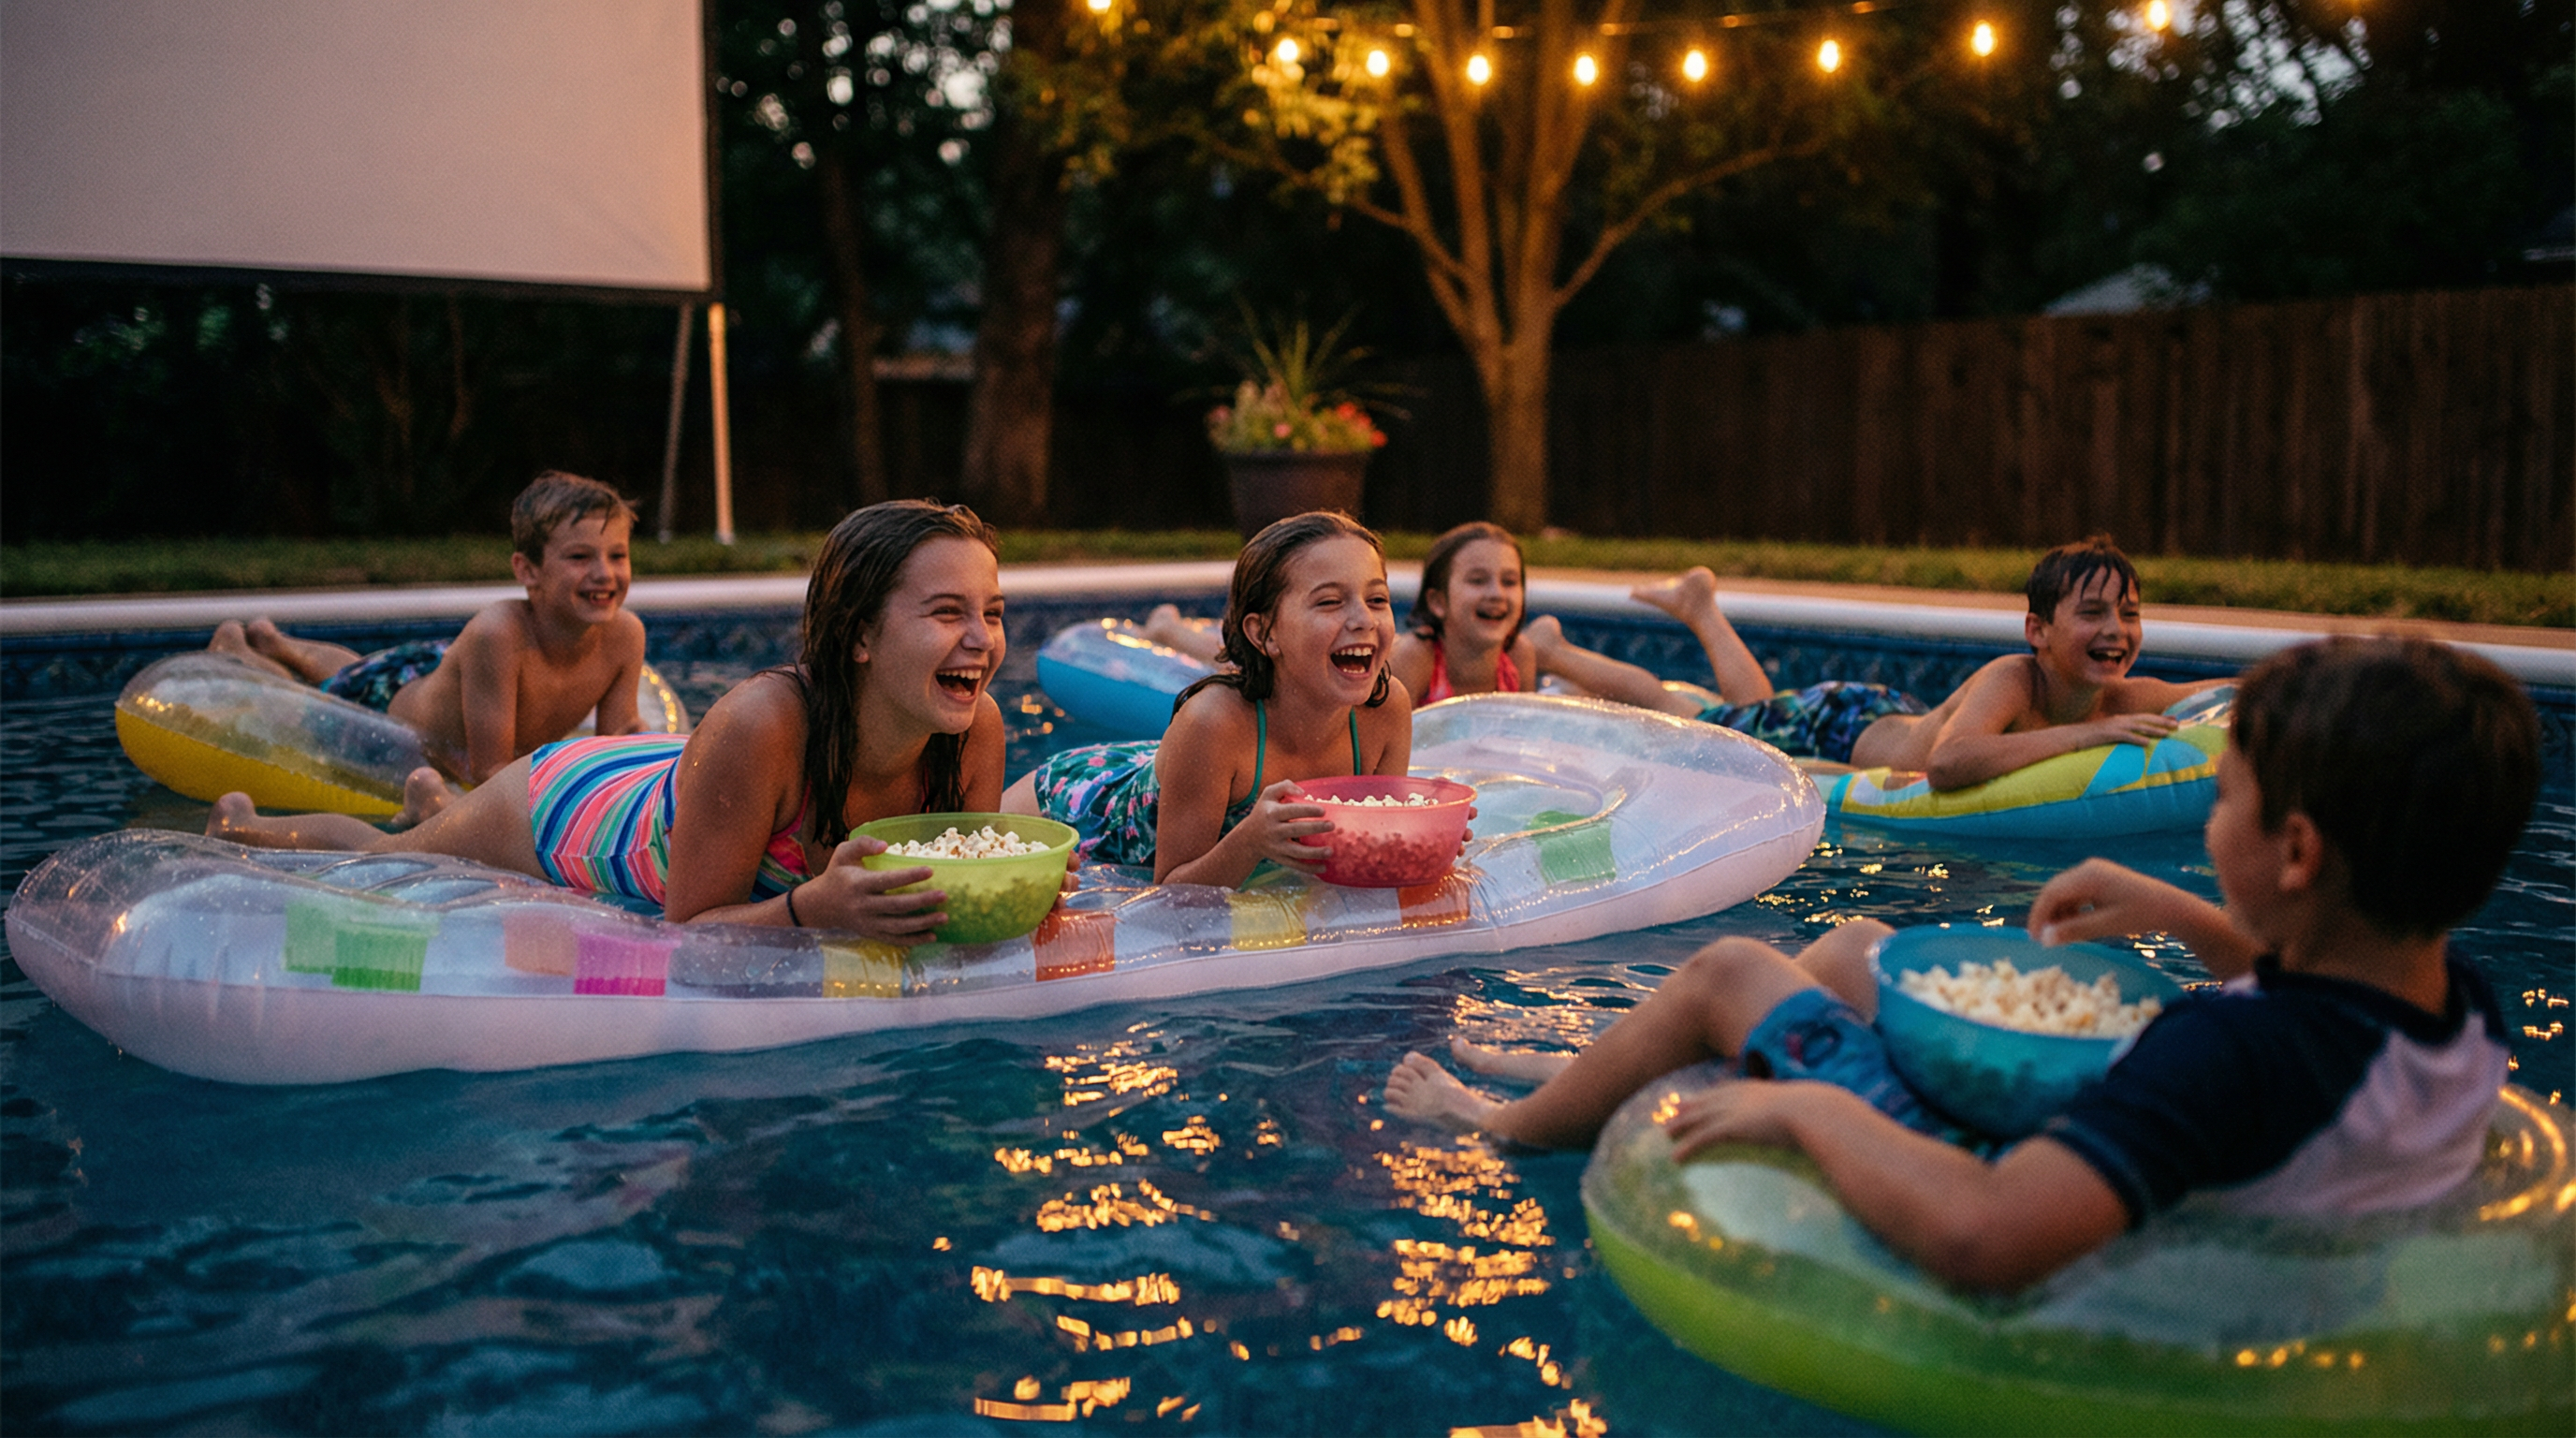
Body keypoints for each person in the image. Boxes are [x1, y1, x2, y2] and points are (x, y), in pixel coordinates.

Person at [1384, 636, 2538, 1292]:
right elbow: (2313, 996)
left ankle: (1509, 1127)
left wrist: (1806, 1123)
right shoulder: (2453, 1002)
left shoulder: (2227, 1058)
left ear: (2295, 852)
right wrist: (2174, 910)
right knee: (1858, 951)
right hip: (2251, 1147)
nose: (2210, 819)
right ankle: (1571, 1066)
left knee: (1735, 972)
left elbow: (1985, 1238)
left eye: (2225, 798)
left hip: (2009, 1179)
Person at [207, 500, 1012, 943]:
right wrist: (811, 911)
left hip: (682, 784)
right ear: (861, 634)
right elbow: (692, 930)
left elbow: (961, 889)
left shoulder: (975, 734)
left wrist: (1018, 891)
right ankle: (246, 829)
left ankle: (438, 808)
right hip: (577, 807)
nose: (981, 639)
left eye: (993, 612)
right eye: (947, 613)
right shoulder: (765, 726)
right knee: (393, 863)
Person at [1005, 511, 1419, 887]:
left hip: (1182, 776)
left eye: (1377, 599)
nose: (1363, 618)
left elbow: (1376, 841)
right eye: (1330, 602)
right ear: (1264, 634)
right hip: (1075, 805)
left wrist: (1423, 843)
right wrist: (1250, 841)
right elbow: (1171, 888)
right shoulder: (1213, 723)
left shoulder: (1385, 709)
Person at [207, 471, 650, 807]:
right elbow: (489, 769)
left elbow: (611, 745)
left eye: (617, 555)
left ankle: (278, 641)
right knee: (332, 688)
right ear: (527, 570)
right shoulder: (500, 635)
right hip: (389, 705)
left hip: (441, 670)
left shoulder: (625, 636)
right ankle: (242, 650)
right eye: (579, 557)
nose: (604, 573)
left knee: (355, 665)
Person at [1383, 521, 1923, 769]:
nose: (1497, 593)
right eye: (1477, 581)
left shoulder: (1514, 658)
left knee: (1744, 719)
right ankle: (1689, 613)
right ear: (1436, 601)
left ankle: (1690, 612)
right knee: (1748, 717)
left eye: (1509, 580)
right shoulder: (1414, 659)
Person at [1848, 534, 2230, 786]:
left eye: (2129, 614)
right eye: (2092, 613)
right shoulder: (2013, 680)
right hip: (1847, 722)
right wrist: (2087, 735)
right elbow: (1946, 763)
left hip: (1915, 713)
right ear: (2038, 631)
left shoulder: (2130, 698)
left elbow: (2236, 692)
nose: (2116, 629)